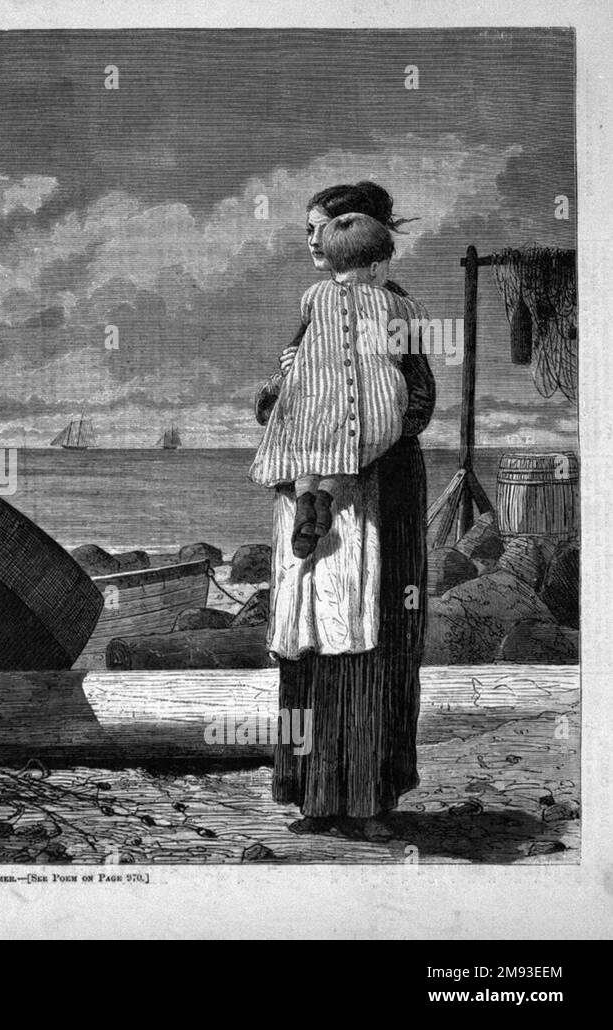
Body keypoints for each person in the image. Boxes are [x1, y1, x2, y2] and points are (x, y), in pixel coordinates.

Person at [254, 181, 436, 839]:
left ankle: (367, 800)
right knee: (312, 639)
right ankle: (312, 796)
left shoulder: (395, 309)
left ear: (348, 236)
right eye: (306, 231)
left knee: (370, 645)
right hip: (317, 493)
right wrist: (275, 400)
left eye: (317, 230)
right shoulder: (319, 308)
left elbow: (417, 400)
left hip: (378, 494)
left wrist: (363, 445)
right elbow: (300, 390)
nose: (308, 242)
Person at [250, 212, 424, 559]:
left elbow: (309, 325)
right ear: (376, 268)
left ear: (332, 259)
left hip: (314, 401)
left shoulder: (314, 295)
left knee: (306, 449)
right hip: (373, 408)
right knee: (348, 451)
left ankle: (304, 501)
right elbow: (413, 329)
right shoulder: (396, 303)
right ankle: (326, 499)